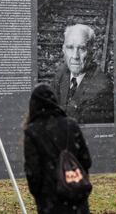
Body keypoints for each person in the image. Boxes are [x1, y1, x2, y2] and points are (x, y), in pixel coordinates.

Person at [24, 83, 92, 214]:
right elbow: (86, 161)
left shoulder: (33, 131)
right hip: (75, 195)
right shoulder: (71, 125)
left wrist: (39, 194)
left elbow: (33, 172)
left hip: (50, 200)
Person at [52, 24, 114, 124]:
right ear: (63, 50)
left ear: (92, 52)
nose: (75, 56)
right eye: (70, 47)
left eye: (81, 48)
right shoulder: (62, 72)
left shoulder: (102, 87)